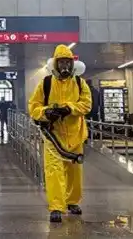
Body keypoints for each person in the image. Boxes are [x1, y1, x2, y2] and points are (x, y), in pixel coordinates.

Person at [28, 44, 92, 223]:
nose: (65, 66)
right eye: (62, 62)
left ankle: (72, 202)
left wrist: (69, 109)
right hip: (53, 136)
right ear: (56, 64)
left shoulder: (80, 83)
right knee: (54, 171)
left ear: (73, 64)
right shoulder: (46, 83)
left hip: (75, 136)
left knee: (74, 172)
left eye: (68, 62)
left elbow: (87, 104)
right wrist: (46, 112)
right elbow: (34, 107)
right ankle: (56, 206)